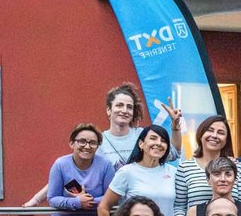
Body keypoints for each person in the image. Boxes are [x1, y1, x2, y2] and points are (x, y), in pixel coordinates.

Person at [23, 83, 182, 206]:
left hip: (143, 212)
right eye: (119, 105)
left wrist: (175, 126)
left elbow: (173, 152)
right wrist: (36, 200)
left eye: (129, 107)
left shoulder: (143, 136)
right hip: (113, 213)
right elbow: (67, 173)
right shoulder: (97, 142)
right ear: (108, 110)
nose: (124, 110)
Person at [99, 124, 180, 216]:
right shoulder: (127, 172)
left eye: (163, 140)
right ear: (141, 144)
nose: (158, 143)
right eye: (153, 138)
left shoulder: (174, 172)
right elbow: (104, 207)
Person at [173, 115, 241, 216]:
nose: (214, 136)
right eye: (210, 130)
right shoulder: (185, 168)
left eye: (220, 132)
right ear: (200, 134)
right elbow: (179, 206)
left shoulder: (237, 167)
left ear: (226, 140)